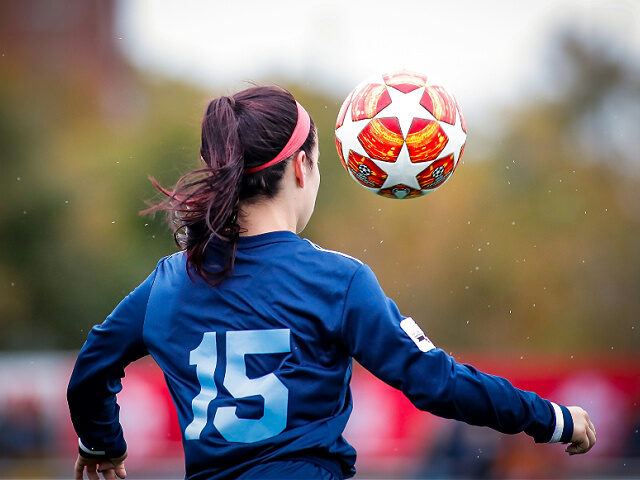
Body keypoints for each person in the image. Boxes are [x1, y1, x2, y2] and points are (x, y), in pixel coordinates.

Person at [67, 85, 596, 480]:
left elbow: (91, 369)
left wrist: (101, 445)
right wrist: (548, 417)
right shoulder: (336, 281)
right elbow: (435, 381)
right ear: (301, 168)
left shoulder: (167, 283)